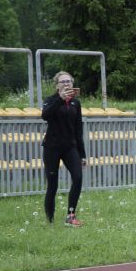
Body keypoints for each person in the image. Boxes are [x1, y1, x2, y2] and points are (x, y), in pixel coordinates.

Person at [41, 71, 87, 227]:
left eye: (69, 81)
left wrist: (82, 154)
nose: (66, 84)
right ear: (57, 85)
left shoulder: (76, 103)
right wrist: (60, 100)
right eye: (63, 82)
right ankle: (50, 220)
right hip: (52, 147)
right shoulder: (51, 100)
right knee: (52, 184)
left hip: (70, 147)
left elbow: (78, 129)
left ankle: (71, 215)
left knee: (78, 178)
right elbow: (45, 115)